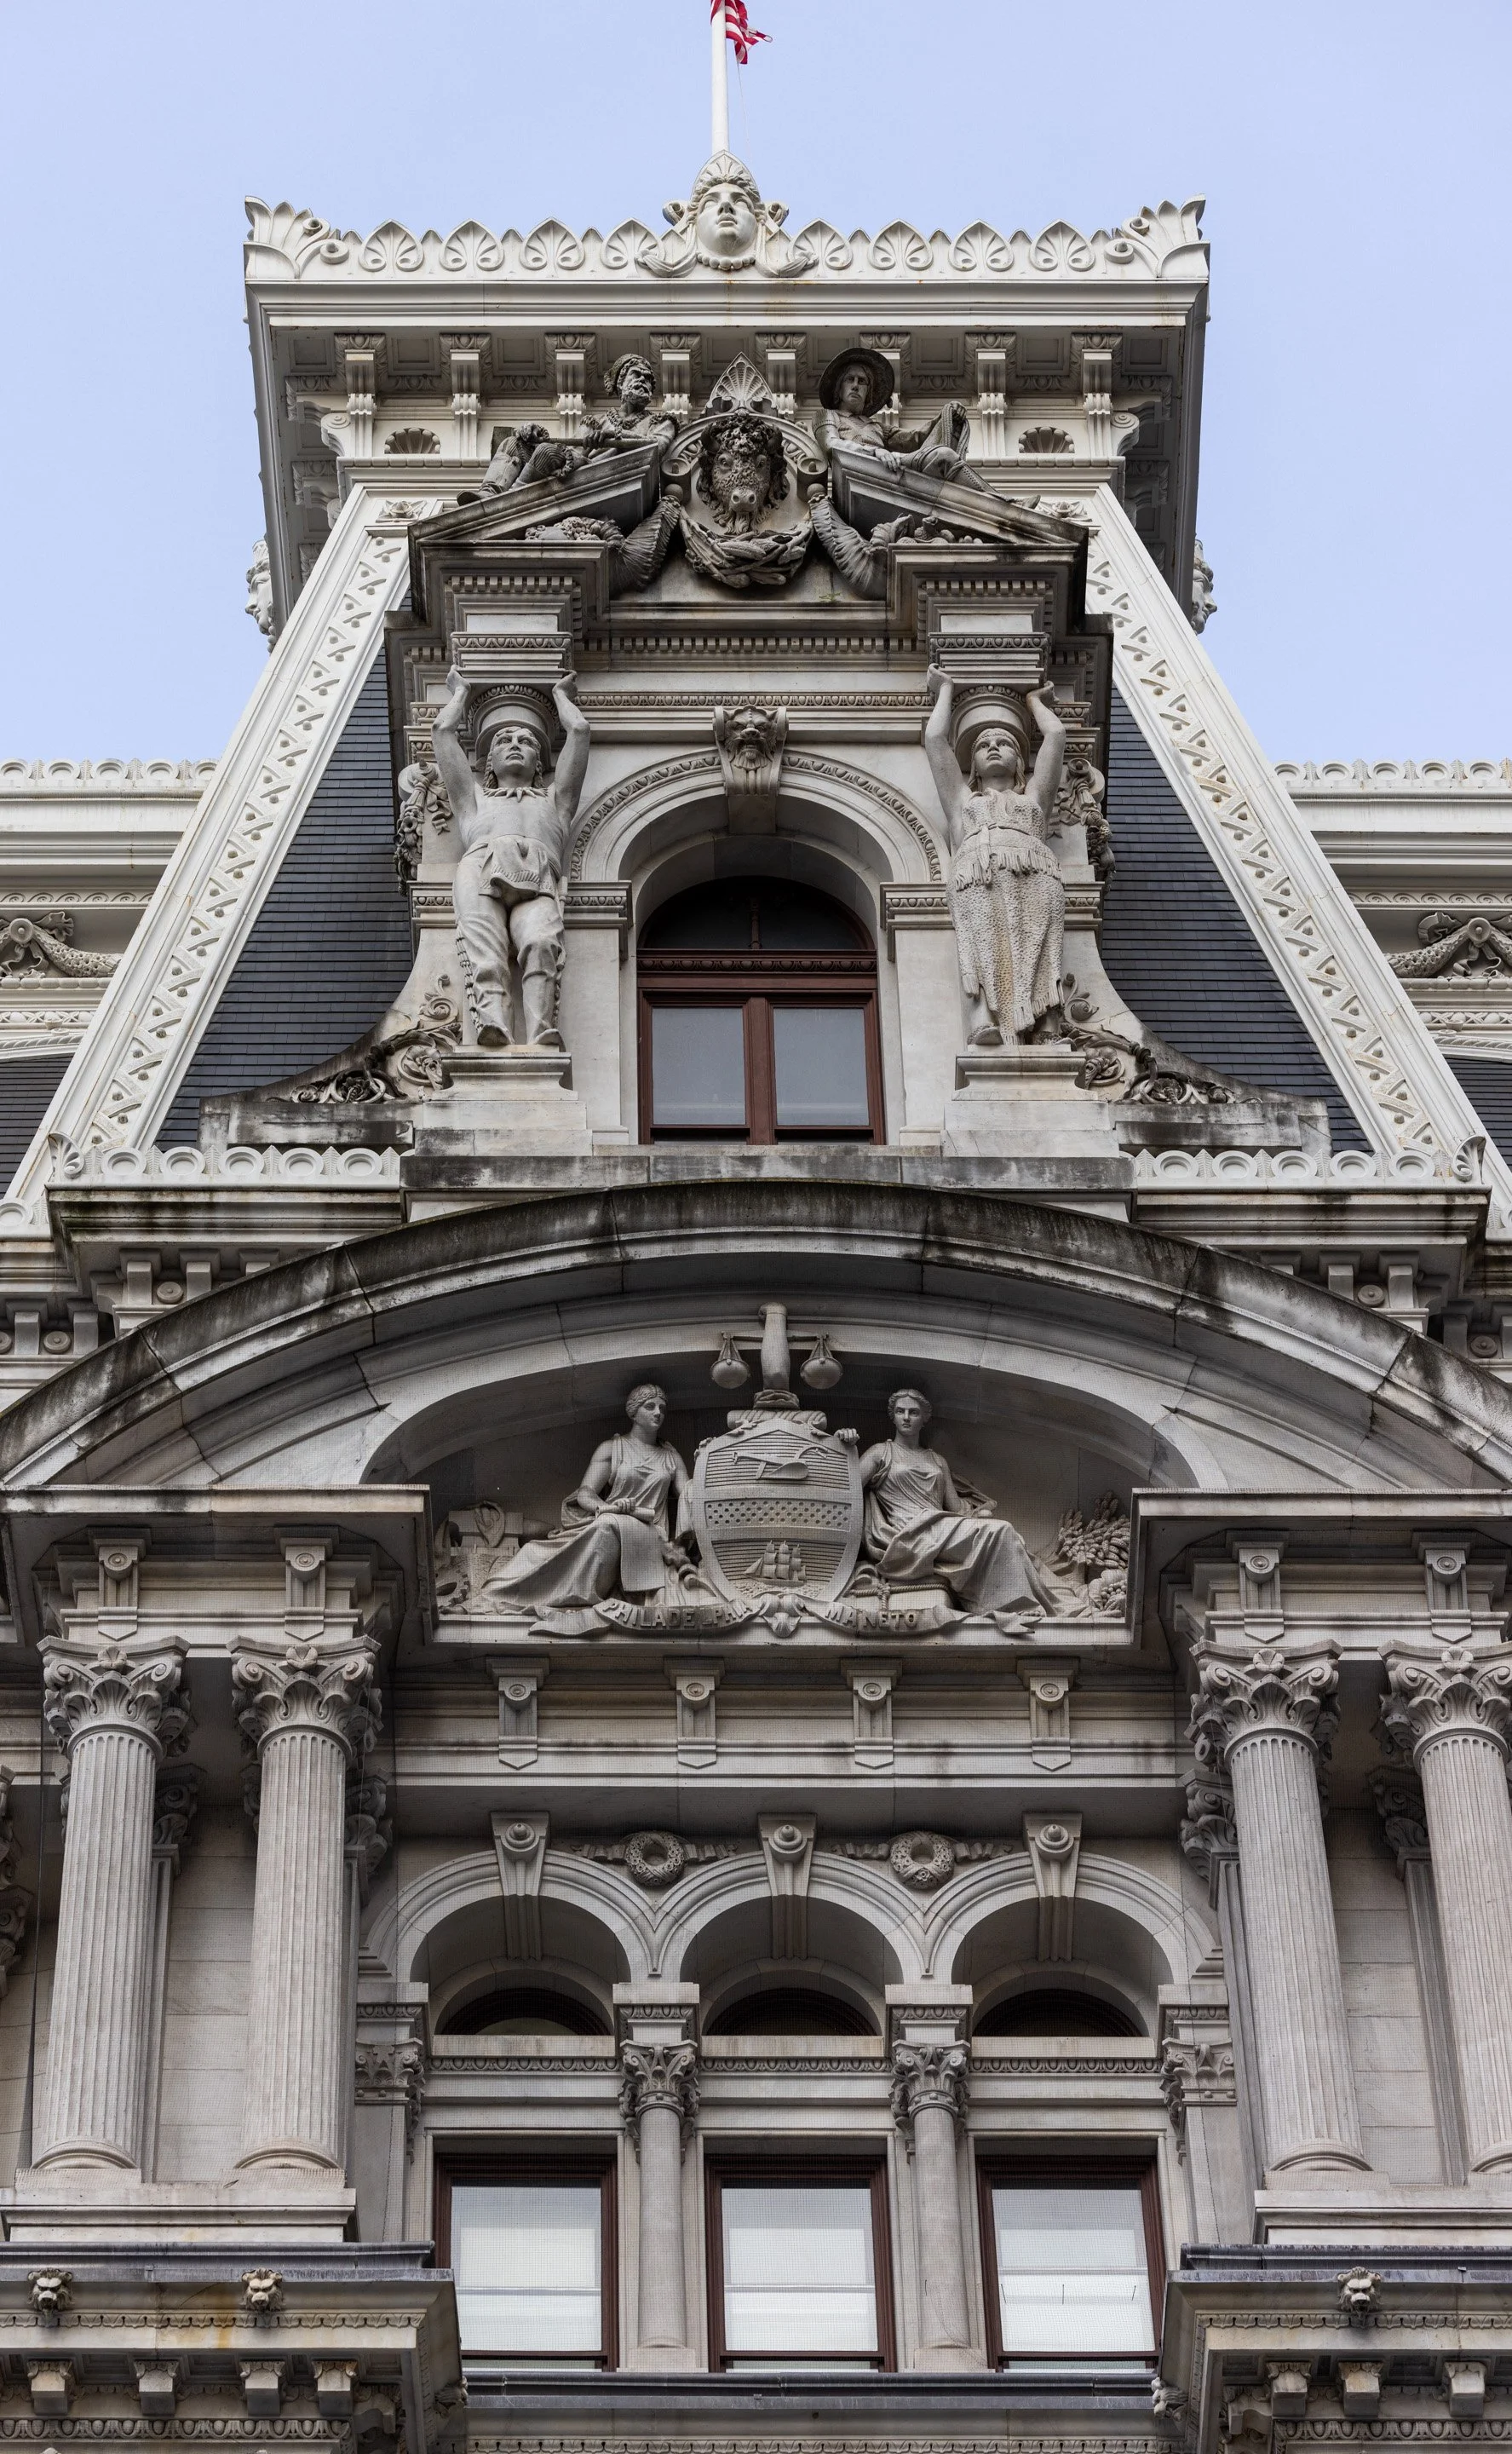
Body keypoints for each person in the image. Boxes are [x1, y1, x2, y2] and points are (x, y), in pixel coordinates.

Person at [430, 668, 590, 1049]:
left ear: (539, 762)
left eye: (527, 741)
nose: (515, 743)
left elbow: (580, 733)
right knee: (485, 952)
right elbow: (441, 733)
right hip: (481, 868)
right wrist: (460, 694)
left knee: (541, 943)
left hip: (539, 874)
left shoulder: (556, 801)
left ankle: (540, 1031)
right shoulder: (473, 800)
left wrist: (561, 697)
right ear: (490, 761)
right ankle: (494, 1025)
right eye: (504, 739)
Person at [924, 669, 1067, 1045]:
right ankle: (982, 1019)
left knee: (1041, 947)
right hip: (979, 872)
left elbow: (1055, 737)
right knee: (980, 944)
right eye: (983, 744)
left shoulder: (1033, 800)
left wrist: (1035, 703)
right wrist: (945, 691)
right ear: (972, 765)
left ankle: (1046, 1024)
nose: (992, 747)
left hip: (1035, 872)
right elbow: (935, 741)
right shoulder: (962, 803)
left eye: (1004, 743)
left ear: (1019, 761)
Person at [482, 1384, 693, 1623]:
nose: (658, 1413)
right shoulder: (613, 1448)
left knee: (606, 1528)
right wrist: (605, 1506)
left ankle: (581, 1597)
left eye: (662, 1408)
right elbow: (585, 1493)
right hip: (612, 1518)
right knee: (533, 1551)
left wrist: (706, 1461)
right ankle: (512, 1595)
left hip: (650, 1531)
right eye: (650, 1406)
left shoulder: (670, 1456)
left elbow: (688, 1493)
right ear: (634, 1412)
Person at [859, 1389, 1054, 1622]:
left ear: (924, 1419)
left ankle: (1026, 1601)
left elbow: (956, 1508)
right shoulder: (880, 1452)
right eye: (900, 1412)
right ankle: (1012, 1606)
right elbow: (848, 1487)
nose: (906, 1417)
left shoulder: (936, 1460)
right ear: (893, 1416)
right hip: (908, 1533)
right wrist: (845, 1445)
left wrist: (980, 1510)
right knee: (1001, 1531)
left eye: (914, 1412)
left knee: (1005, 1533)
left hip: (939, 1526)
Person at [478, 354, 677, 496]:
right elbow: (572, 452)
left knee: (546, 452)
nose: (644, 380)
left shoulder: (661, 422)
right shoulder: (596, 420)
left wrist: (615, 436)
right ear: (621, 383)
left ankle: (509, 502)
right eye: (636, 374)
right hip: (580, 469)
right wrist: (537, 436)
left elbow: (656, 448)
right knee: (513, 444)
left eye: (649, 379)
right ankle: (488, 496)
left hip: (608, 474)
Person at [815, 349, 985, 492]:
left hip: (889, 469)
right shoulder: (828, 415)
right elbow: (831, 445)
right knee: (943, 456)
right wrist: (874, 452)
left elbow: (916, 439)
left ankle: (998, 501)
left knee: (945, 456)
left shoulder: (877, 427)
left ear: (869, 392)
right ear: (839, 388)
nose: (855, 385)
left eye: (862, 381)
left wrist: (947, 415)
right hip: (860, 472)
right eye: (849, 379)